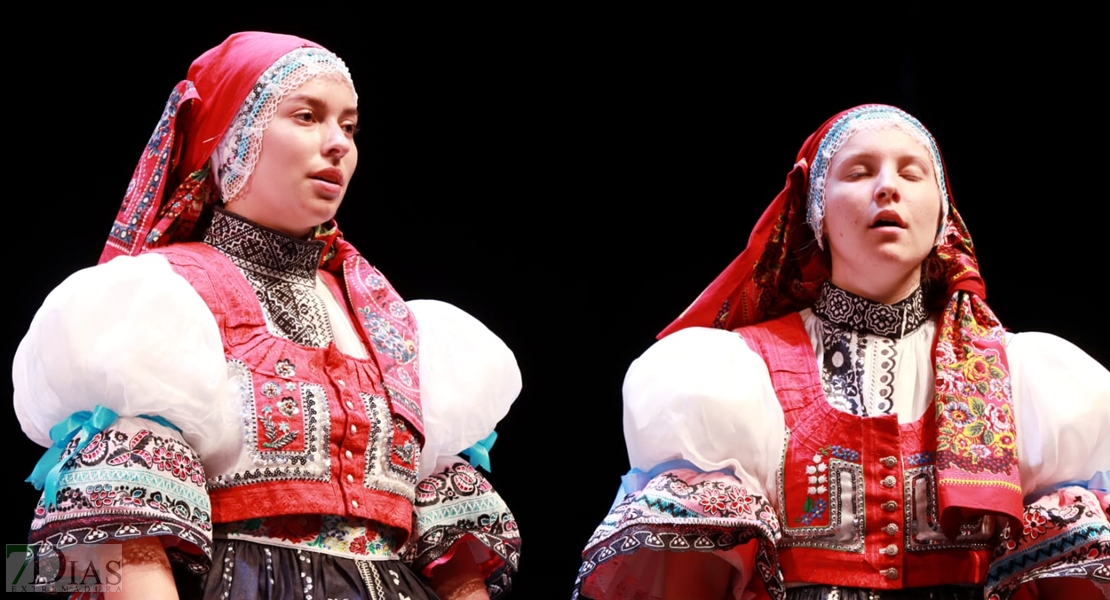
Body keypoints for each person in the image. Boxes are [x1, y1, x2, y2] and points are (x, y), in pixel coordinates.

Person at [14, 32, 521, 600]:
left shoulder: (392, 322)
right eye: (307, 116)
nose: (337, 145)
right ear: (233, 137)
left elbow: (453, 563)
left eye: (349, 128)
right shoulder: (160, 299)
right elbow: (120, 537)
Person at [573, 105, 1109, 599]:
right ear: (815, 214)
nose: (887, 189)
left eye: (911, 173)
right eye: (858, 172)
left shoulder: (1025, 382)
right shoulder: (733, 378)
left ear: (944, 215)